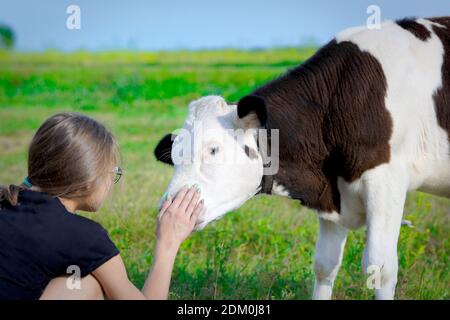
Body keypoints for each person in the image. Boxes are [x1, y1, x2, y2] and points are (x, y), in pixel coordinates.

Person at [0, 112, 203, 300]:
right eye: (112, 172)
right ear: (90, 180)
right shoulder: (83, 236)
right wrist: (168, 242)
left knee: (80, 282)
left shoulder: (5, 202)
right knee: (88, 285)